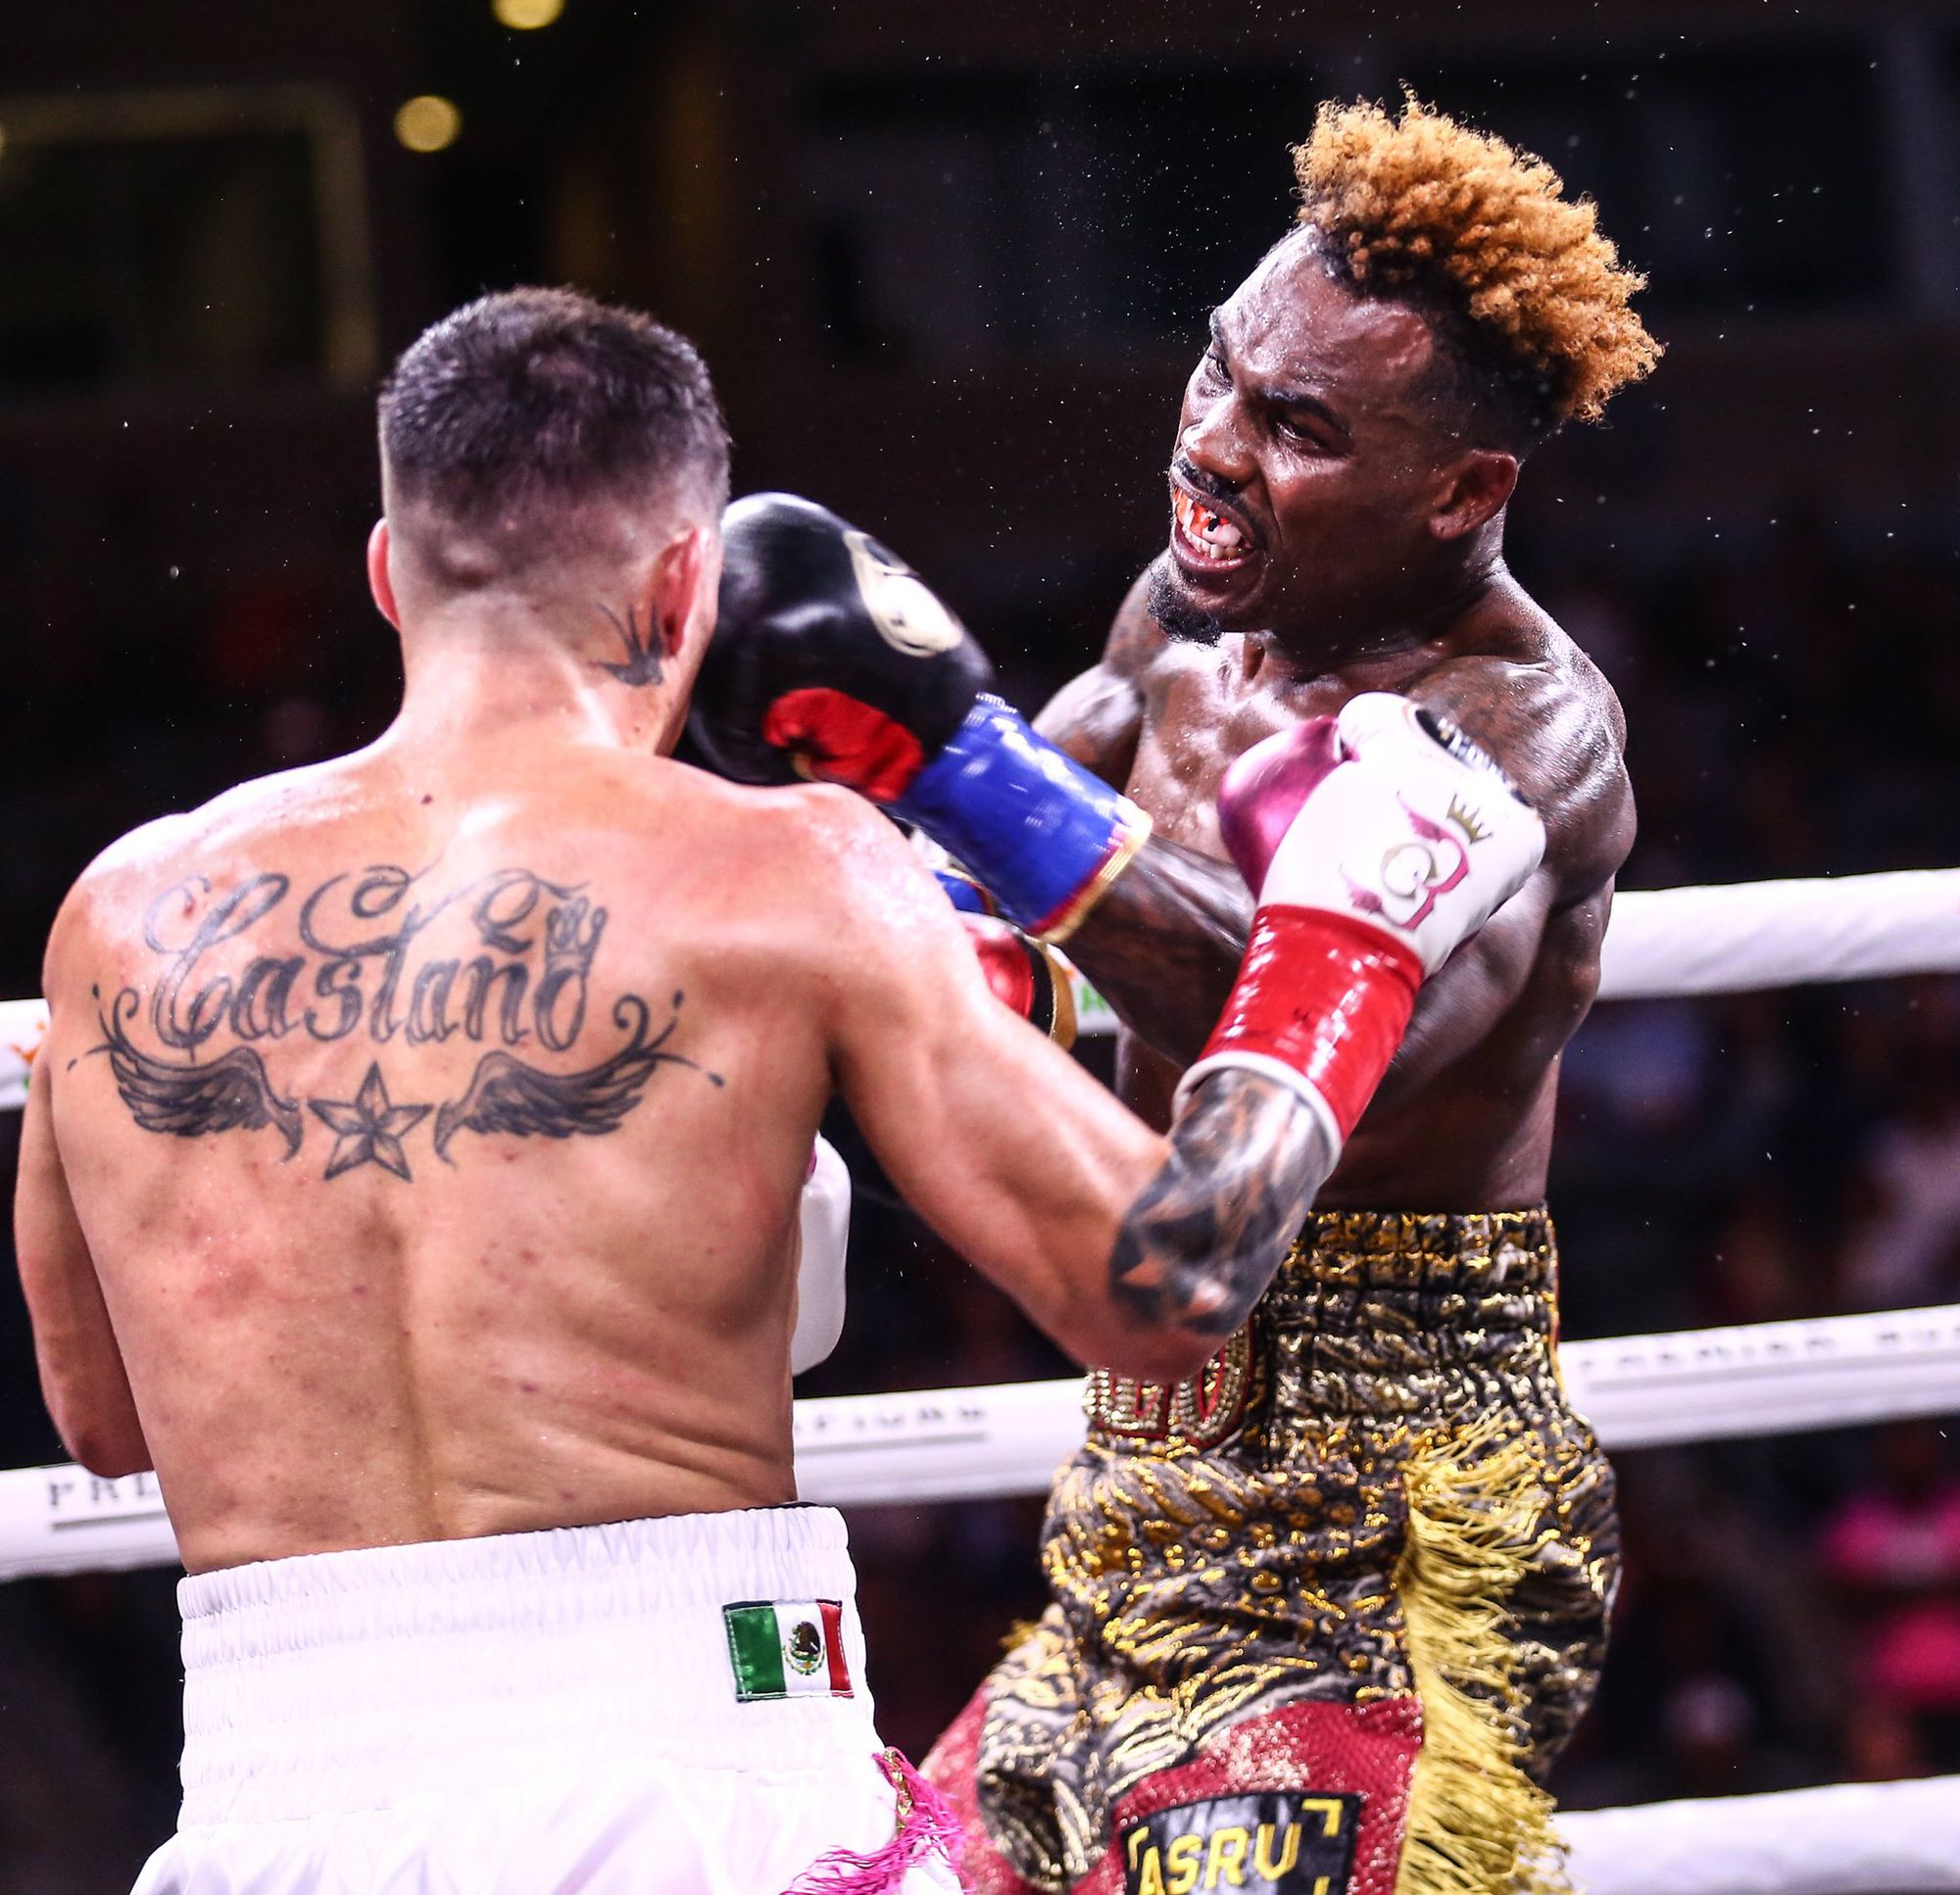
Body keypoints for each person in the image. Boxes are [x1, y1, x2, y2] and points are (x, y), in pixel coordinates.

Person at [14, 286, 1543, 1894]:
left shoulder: (121, 912)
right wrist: (1335, 948)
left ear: (391, 577)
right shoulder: (789, 867)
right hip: (691, 1786)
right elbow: (1167, 1285)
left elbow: (106, 1419)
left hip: (270, 1806)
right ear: (691, 584)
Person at [691, 97, 1657, 1895]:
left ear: (1464, 491)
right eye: (1217, 371)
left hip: (1395, 1507)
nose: (1213, 445)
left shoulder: (1522, 736)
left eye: (1296, 426)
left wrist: (962, 767)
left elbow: (1306, 1083)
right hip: (1144, 1491)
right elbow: (989, 970)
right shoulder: (1180, 627)